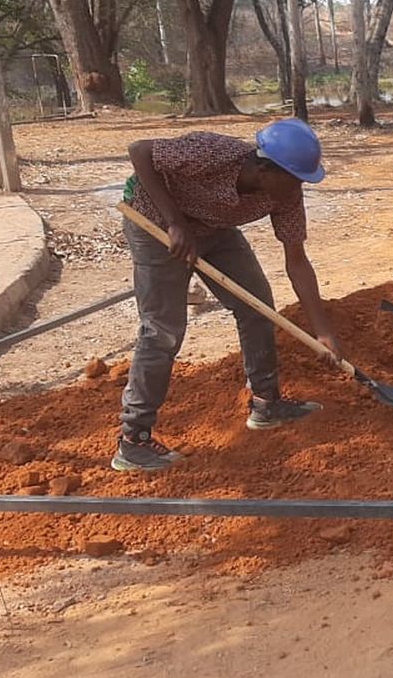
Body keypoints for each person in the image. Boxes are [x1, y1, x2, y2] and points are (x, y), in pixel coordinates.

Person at [114, 119, 342, 472]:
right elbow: (139, 152)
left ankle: (267, 404)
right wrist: (175, 222)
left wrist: (323, 331)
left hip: (214, 229)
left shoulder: (286, 196)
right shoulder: (212, 153)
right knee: (163, 329)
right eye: (294, 177)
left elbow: (297, 262)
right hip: (156, 222)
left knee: (258, 306)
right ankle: (133, 439)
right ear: (265, 169)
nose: (299, 187)